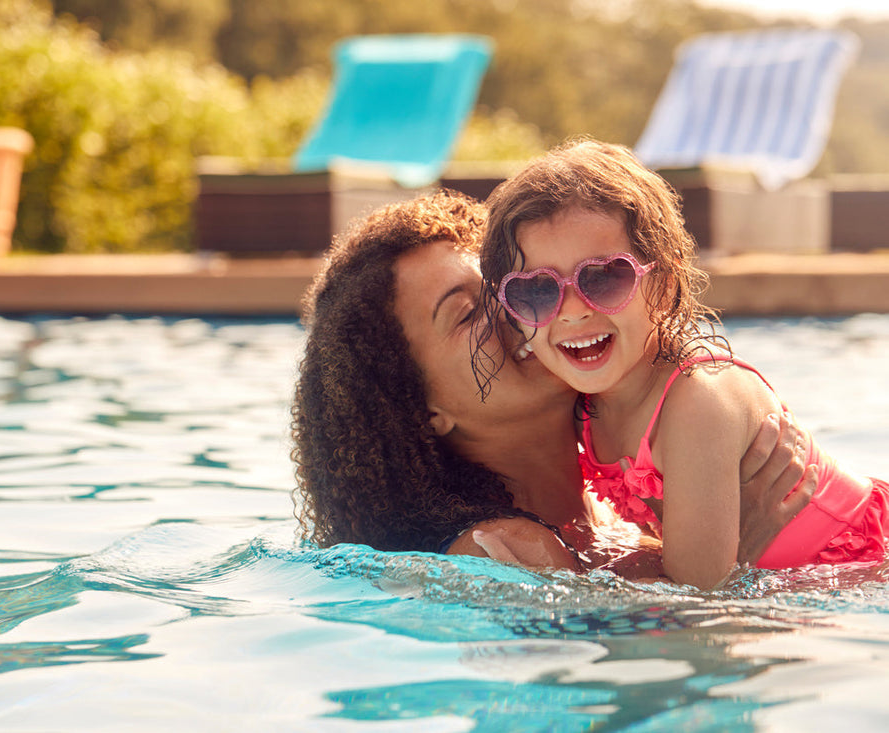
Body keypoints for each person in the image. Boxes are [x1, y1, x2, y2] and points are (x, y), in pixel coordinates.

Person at [292, 189, 814, 576]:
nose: (526, 309)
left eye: (518, 284)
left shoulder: (620, 492)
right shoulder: (504, 552)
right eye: (469, 312)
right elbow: (691, 646)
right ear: (423, 411)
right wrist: (748, 548)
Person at [478, 139, 889, 588]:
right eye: (537, 291)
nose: (573, 310)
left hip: (866, 562)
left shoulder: (699, 401)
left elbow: (695, 600)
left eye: (604, 277)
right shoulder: (582, 402)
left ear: (666, 278)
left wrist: (565, 580)